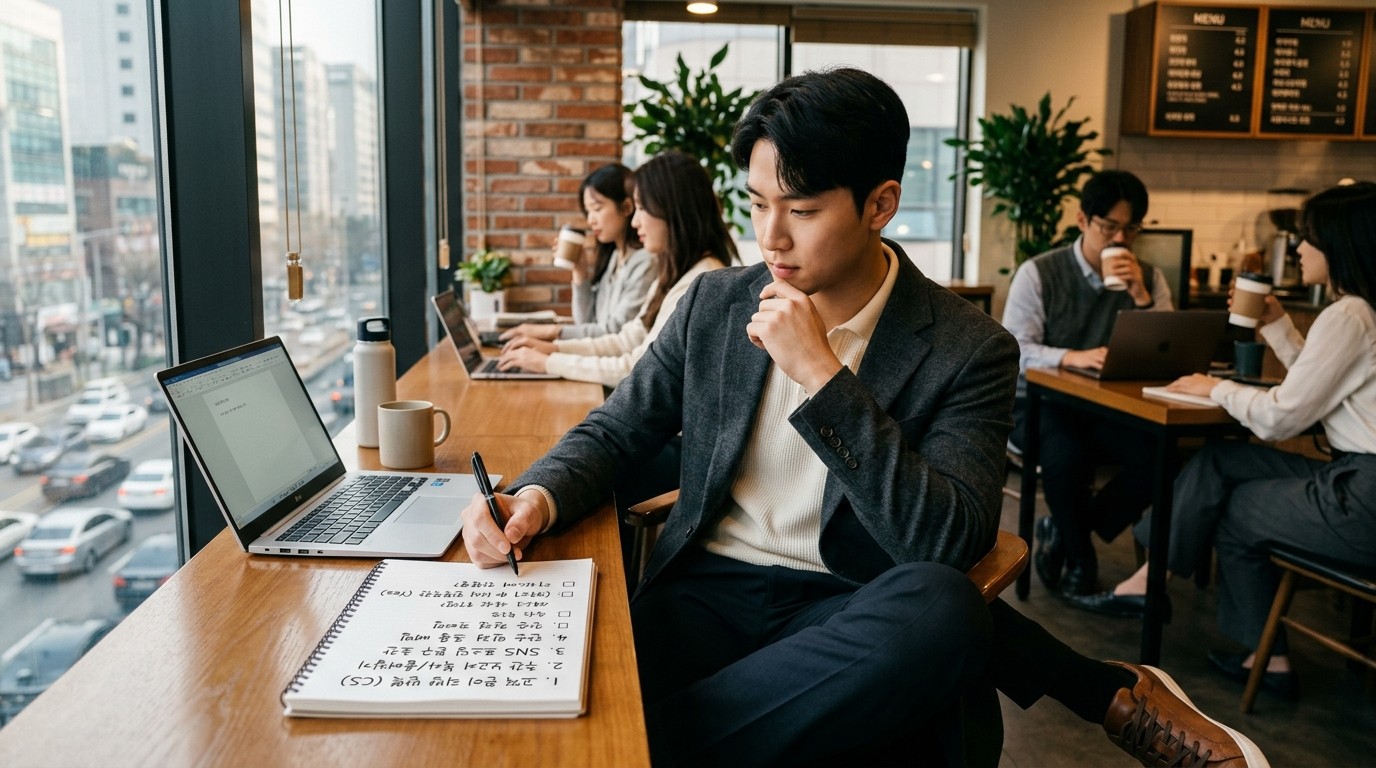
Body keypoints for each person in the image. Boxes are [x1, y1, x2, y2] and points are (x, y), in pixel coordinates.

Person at [460, 68, 1264, 767]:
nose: (769, 236)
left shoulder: (967, 347)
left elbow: (944, 543)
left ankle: (630, 752)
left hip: (850, 605)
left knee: (944, 610)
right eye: (757, 203)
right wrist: (534, 496)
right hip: (705, 590)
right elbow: (620, 428)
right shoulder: (714, 303)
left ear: (880, 203)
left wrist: (822, 373)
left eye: (801, 210)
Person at [1071, 181, 1376, 700]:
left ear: (1341, 245)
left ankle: (1262, 652)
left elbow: (1282, 419)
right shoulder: (1362, 310)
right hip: (1350, 476)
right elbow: (1317, 386)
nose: (1298, 248)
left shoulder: (1349, 314)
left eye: (1309, 238)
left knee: (1234, 509)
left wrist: (1216, 387)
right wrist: (1277, 323)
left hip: (1359, 498)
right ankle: (1153, 582)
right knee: (1219, 460)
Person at [1002, 170, 1176, 598]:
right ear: (1083, 220)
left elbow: (1168, 350)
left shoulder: (1149, 278)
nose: (1120, 238)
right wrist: (1070, 357)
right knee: (1066, 456)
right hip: (1037, 404)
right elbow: (1014, 349)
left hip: (1110, 407)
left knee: (1162, 457)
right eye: (1110, 227)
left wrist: (1141, 298)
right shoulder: (1040, 273)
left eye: (1130, 229)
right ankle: (1081, 557)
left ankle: (1063, 532)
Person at [496, 151, 735, 387]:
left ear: (672, 209)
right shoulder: (675, 273)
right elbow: (626, 340)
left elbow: (635, 367)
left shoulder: (700, 281)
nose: (635, 221)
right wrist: (554, 348)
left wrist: (550, 361)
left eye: (641, 208)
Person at [501, 163, 656, 342]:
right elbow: (586, 322)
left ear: (627, 207)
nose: (591, 220)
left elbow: (615, 333)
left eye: (597, 209)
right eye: (588, 211)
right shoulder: (615, 258)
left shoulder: (645, 262)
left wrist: (553, 332)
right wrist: (579, 271)